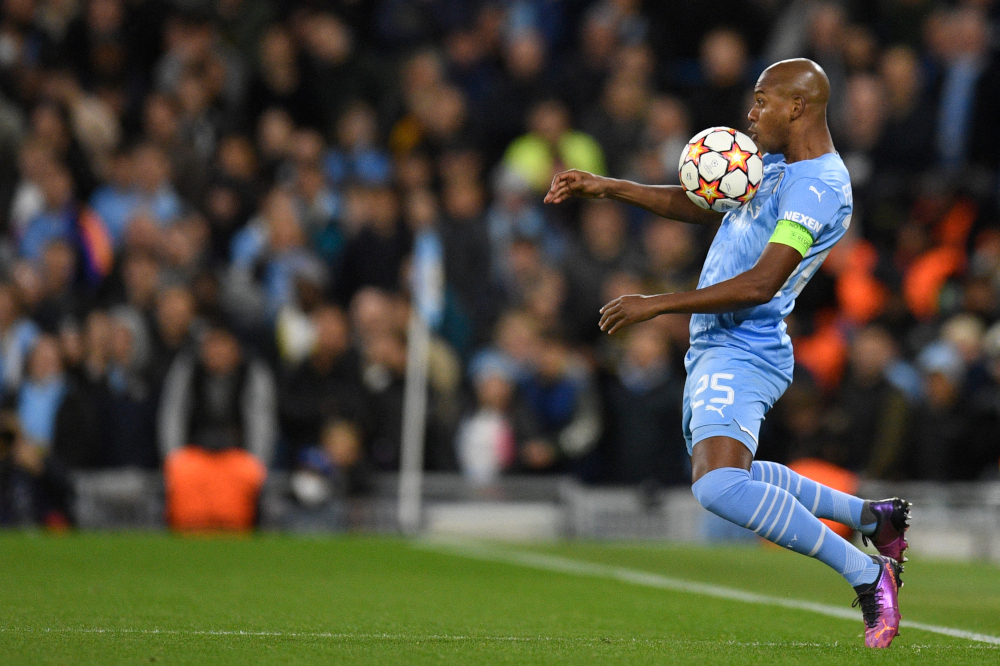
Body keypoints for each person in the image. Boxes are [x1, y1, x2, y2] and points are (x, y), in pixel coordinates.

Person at [545, 59, 909, 649]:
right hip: (718, 342)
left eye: (761, 100)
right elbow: (703, 204)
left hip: (746, 343)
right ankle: (875, 519)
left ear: (797, 107)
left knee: (717, 487)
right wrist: (610, 187)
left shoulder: (818, 188)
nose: (751, 112)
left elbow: (763, 282)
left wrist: (658, 304)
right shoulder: (776, 164)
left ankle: (868, 572)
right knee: (730, 476)